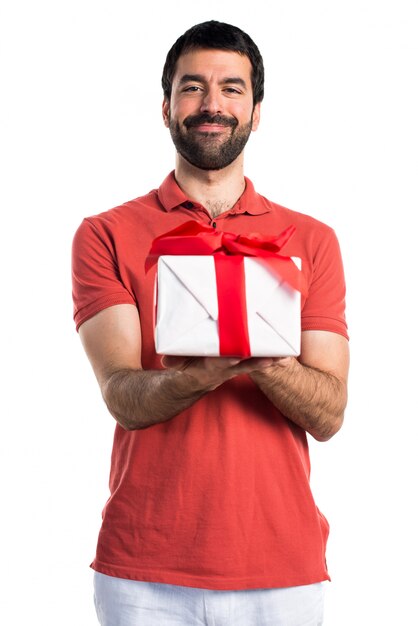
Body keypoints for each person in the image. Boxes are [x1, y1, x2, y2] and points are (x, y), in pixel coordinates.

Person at [72, 20, 349, 626]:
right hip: (143, 571)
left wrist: (267, 358)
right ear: (166, 106)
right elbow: (123, 395)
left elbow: (329, 414)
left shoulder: (311, 241)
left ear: (256, 110)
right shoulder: (106, 234)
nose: (212, 104)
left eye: (232, 89)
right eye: (193, 87)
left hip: (282, 570)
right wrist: (206, 372)